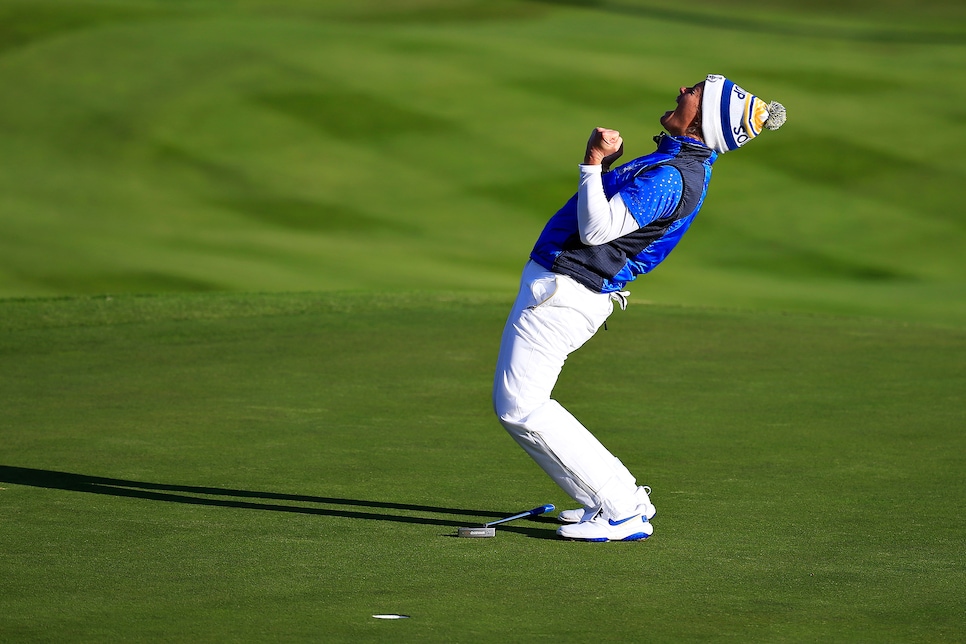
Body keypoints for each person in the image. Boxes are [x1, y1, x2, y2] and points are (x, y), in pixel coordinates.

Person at [492, 74, 786, 542]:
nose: (683, 90)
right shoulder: (677, 162)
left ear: (703, 121)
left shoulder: (673, 175)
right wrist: (612, 167)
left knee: (520, 406)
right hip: (570, 289)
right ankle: (619, 499)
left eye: (695, 92)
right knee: (525, 403)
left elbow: (595, 230)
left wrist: (592, 162)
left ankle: (619, 510)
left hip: (567, 292)